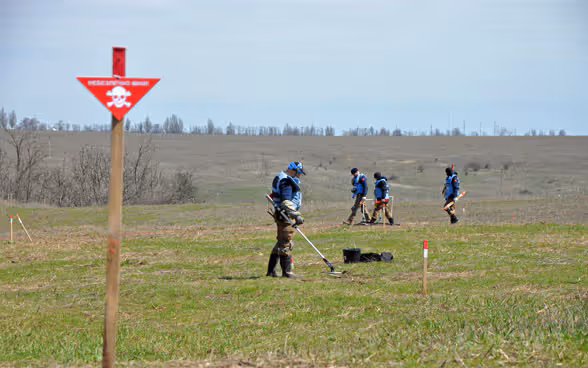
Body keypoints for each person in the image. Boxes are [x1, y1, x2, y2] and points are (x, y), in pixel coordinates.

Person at [266, 161, 306, 278]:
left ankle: (271, 271)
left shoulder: (280, 177)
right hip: (285, 215)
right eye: (299, 173)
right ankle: (287, 272)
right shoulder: (286, 181)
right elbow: (286, 201)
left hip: (280, 214)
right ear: (295, 170)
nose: (300, 175)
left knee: (280, 241)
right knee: (286, 242)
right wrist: (296, 215)